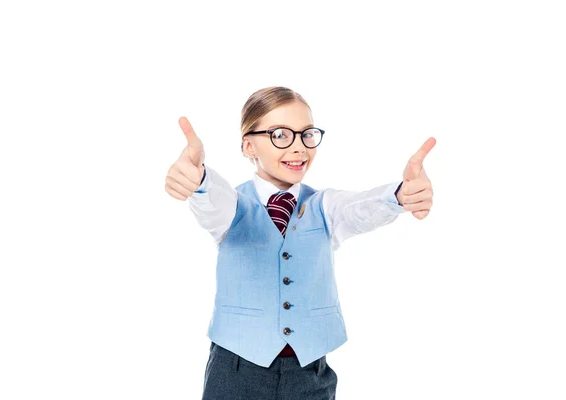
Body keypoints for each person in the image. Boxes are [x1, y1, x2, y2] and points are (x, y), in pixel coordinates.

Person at [165, 86, 435, 399]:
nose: (299, 148)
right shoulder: (234, 206)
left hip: (309, 372)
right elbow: (214, 199)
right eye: (281, 134)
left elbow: (359, 207)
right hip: (236, 369)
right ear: (249, 145)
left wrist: (399, 196)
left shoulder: (325, 206)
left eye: (306, 134)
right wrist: (198, 180)